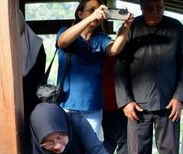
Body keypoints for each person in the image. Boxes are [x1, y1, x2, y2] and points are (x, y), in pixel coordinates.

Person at [115, 0, 183, 154]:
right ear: (141, 7)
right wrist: (125, 101)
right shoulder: (132, 28)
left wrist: (179, 97)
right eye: (150, 8)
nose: (155, 12)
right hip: (137, 104)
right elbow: (119, 67)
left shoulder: (176, 27)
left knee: (170, 152)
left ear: (164, 6)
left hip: (169, 103)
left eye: (159, 7)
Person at [56, 0, 134, 140]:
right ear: (80, 14)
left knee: (89, 151)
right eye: (91, 10)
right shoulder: (65, 31)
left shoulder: (101, 39)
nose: (97, 14)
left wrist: (126, 27)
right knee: (67, 149)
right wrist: (92, 17)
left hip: (94, 108)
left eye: (99, 11)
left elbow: (114, 49)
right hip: (67, 105)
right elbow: (63, 41)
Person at [18, 11, 47, 147]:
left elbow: (39, 75)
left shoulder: (37, 45)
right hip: (9, 98)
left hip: (32, 97)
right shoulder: (3, 44)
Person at [102, 56, 130, 154]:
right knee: (124, 143)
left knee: (109, 141)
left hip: (105, 105)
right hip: (123, 105)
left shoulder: (101, 54)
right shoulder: (124, 57)